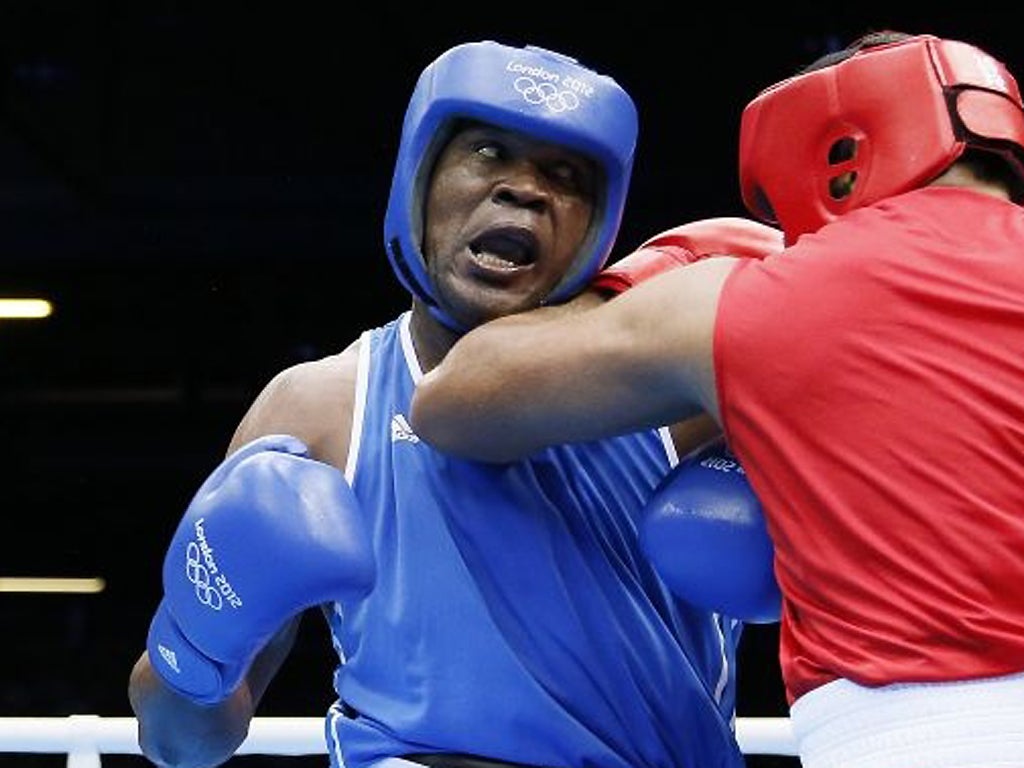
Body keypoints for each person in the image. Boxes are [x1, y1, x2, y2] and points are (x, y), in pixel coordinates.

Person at [127, 39, 784, 768]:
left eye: (564, 175)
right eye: (487, 153)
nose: (523, 190)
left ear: (600, 224)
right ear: (420, 179)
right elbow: (177, 745)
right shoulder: (321, 409)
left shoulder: (676, 393)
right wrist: (194, 643)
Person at [410, 31, 1024, 768]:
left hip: (920, 737)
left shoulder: (754, 299)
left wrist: (648, 280)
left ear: (836, 146)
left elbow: (453, 403)